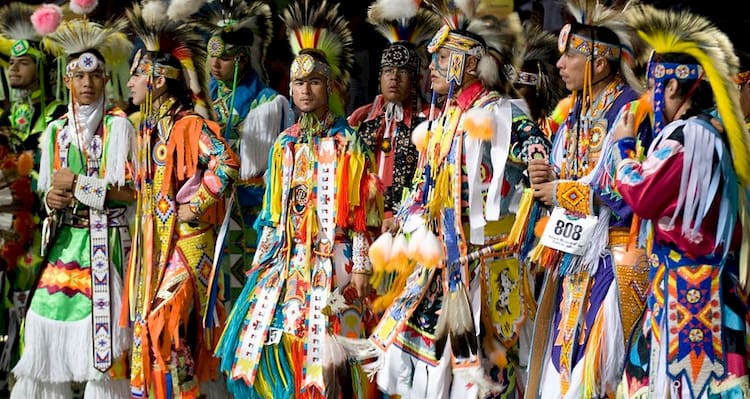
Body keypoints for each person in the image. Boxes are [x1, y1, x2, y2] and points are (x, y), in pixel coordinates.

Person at [349, 0, 551, 397]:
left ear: (468, 64)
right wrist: (406, 221)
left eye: (442, 59)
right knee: (419, 368)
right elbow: (424, 184)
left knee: (482, 368)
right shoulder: (441, 121)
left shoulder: (502, 114)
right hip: (440, 262)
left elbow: (538, 158)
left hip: (485, 263)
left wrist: (534, 183)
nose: (433, 69)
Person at [215, 0, 382, 397]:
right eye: (298, 83)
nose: (305, 91)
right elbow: (274, 215)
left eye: (314, 82)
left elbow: (362, 215)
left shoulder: (348, 143)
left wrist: (359, 268)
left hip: (335, 262)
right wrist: (262, 265)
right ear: (289, 88)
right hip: (287, 260)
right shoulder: (284, 144)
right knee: (271, 343)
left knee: (333, 353)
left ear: (331, 86)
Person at [614, 5, 750, 398]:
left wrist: (624, 150)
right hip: (710, 292)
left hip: (686, 299)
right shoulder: (716, 133)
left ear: (671, 87)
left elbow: (642, 195)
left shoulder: (688, 136)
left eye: (655, 86)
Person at [524, 0, 653, 397]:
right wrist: (546, 178)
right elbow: (568, 177)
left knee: (599, 367)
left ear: (599, 63)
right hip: (572, 258)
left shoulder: (631, 109)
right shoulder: (575, 115)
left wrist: (561, 190)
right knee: (564, 357)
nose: (559, 65)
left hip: (612, 258)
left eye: (570, 56)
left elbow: (627, 190)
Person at [9, 8, 136, 399]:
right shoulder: (55, 132)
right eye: (79, 76)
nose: (86, 83)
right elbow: (50, 196)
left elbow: (132, 192)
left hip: (106, 245)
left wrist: (82, 185)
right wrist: (52, 197)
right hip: (65, 244)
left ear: (105, 79)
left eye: (94, 75)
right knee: (43, 320)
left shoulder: (119, 126)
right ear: (67, 80)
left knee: (104, 338)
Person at [122, 1, 240, 397]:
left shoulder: (190, 125)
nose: (129, 85)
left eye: (135, 77)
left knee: (166, 324)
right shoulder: (146, 131)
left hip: (187, 245)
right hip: (154, 248)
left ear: (156, 80)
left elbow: (226, 163)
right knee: (165, 337)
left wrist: (195, 204)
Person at [193, 0, 289, 300]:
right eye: (211, 57)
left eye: (224, 58)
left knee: (249, 287)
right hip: (211, 209)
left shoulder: (269, 104)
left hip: (252, 209)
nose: (214, 65)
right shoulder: (201, 100)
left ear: (243, 59)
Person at [0, 2, 66, 375]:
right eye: (12, 62)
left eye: (23, 63)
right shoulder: (4, 115)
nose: (14, 67)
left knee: (40, 300)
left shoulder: (57, 117)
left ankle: (37, 367)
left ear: (41, 70)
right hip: (6, 231)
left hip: (47, 228)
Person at [513, 21, 568, 140]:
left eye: (518, 87)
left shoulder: (558, 130)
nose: (509, 95)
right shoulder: (500, 126)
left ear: (539, 87)